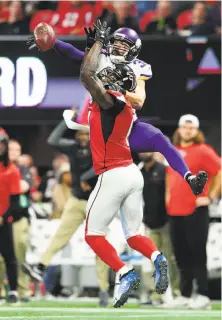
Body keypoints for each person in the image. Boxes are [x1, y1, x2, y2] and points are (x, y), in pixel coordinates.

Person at [27, 22, 208, 198]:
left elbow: (139, 100)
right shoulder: (101, 56)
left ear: (134, 49)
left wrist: (120, 90)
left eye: (124, 44)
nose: (118, 47)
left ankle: (189, 178)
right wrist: (53, 43)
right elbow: (74, 54)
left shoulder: (138, 67)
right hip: (103, 120)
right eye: (117, 42)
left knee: (160, 139)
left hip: (127, 125)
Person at [80, 20, 169, 308]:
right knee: (133, 235)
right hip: (132, 172)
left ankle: (124, 272)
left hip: (113, 173)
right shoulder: (124, 107)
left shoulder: (109, 101)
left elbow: (86, 75)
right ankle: (157, 257)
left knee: (93, 235)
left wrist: (95, 47)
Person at [22, 119, 110, 307]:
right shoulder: (72, 147)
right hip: (76, 199)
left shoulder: (101, 146)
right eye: (80, 133)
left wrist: (87, 177)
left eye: (87, 133)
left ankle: (103, 289)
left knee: (100, 245)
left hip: (96, 200)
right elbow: (53, 140)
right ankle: (41, 266)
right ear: (76, 135)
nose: (84, 137)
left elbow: (106, 164)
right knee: (60, 236)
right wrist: (66, 121)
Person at [164, 114, 221, 309]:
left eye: (192, 127)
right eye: (184, 127)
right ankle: (186, 295)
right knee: (180, 254)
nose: (188, 130)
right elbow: (170, 176)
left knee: (197, 253)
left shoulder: (204, 150)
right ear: (179, 129)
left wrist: (211, 196)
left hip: (196, 210)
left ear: (196, 131)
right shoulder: (172, 151)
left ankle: (203, 295)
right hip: (175, 211)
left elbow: (220, 171)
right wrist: (168, 196)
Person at [138, 152, 179, 305]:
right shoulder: (139, 171)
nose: (144, 153)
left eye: (148, 150)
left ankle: (174, 292)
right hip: (149, 222)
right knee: (151, 260)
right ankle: (156, 295)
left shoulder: (164, 170)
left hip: (166, 221)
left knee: (169, 259)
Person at [0, 129, 21, 304]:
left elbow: (15, 200)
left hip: (4, 220)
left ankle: (13, 290)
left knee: (9, 256)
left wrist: (4, 216)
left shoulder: (12, 170)